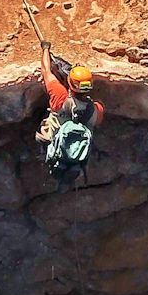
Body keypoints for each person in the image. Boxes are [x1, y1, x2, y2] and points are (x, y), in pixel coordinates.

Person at [38, 43, 103, 187]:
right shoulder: (96, 109)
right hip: (75, 153)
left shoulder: (59, 95)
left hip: (53, 143)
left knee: (46, 115)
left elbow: (46, 71)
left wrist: (45, 49)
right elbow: (96, 122)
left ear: (70, 83)